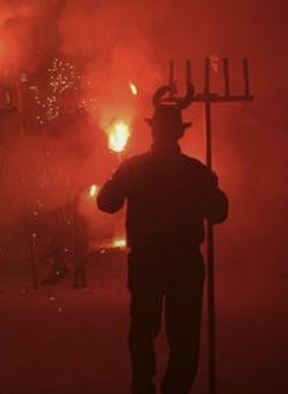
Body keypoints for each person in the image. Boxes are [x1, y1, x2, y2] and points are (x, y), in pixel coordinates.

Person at [97, 84, 228, 394]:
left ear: (153, 131)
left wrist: (117, 177)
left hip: (147, 262)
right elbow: (219, 212)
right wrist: (212, 185)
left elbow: (106, 202)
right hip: (183, 264)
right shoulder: (194, 171)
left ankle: (143, 384)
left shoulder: (133, 168)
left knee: (143, 328)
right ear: (179, 133)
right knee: (184, 336)